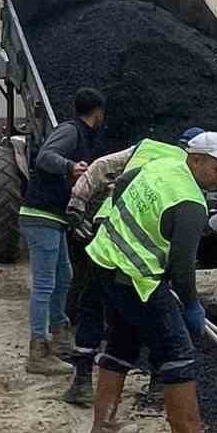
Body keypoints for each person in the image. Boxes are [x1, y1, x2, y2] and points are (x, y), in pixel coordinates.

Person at [85, 131, 217, 433]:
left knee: (122, 342)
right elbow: (183, 268)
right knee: (177, 348)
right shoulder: (190, 203)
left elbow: (124, 182)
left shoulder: (164, 164)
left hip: (104, 257)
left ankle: (104, 426)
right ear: (196, 160)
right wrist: (191, 306)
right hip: (133, 274)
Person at [61, 128, 205, 407]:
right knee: (151, 315)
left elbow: (103, 167)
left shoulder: (149, 148)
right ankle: (157, 383)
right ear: (196, 155)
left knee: (94, 307)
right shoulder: (186, 174)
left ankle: (81, 381)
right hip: (133, 245)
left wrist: (77, 204)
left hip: (107, 234)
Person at [19, 87, 106, 375]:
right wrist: (70, 167)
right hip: (40, 214)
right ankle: (38, 350)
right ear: (98, 113)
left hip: (53, 218)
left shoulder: (84, 136)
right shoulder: (71, 131)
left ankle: (59, 336)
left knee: (64, 275)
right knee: (44, 283)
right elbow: (45, 157)